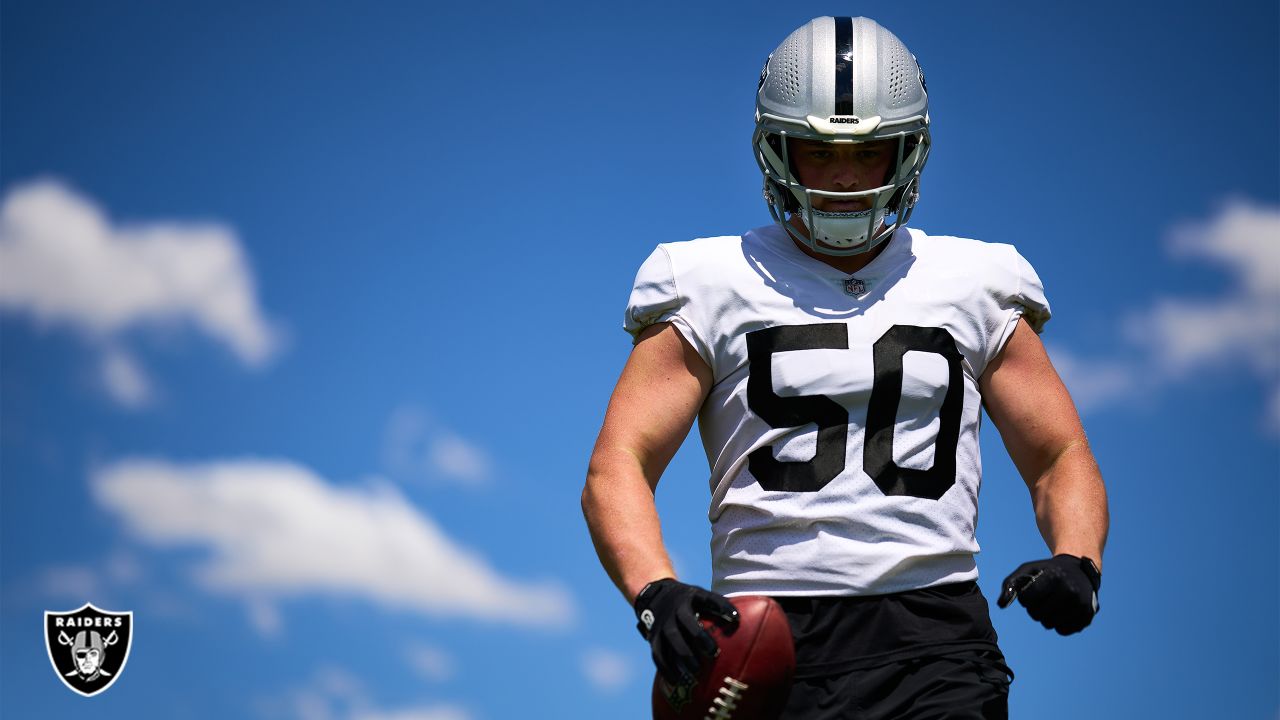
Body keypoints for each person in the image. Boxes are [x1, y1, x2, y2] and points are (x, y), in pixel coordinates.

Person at [582, 15, 1109, 719]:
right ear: (775, 151)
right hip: (765, 640)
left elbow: (1057, 452)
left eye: (868, 154)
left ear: (908, 155)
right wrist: (656, 592)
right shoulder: (705, 278)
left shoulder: (978, 279)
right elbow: (619, 461)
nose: (842, 177)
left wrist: (1078, 558)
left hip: (936, 640)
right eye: (816, 152)